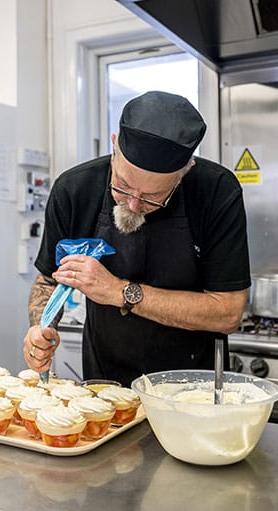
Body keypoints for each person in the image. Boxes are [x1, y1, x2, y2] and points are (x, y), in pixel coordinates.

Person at [23, 91, 251, 387]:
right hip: (104, 383)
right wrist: (41, 330)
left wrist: (121, 291)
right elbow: (49, 281)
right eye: (123, 186)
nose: (132, 205)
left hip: (194, 389)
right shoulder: (74, 190)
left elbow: (228, 312)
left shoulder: (217, 192)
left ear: (186, 171)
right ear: (114, 145)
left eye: (153, 197)